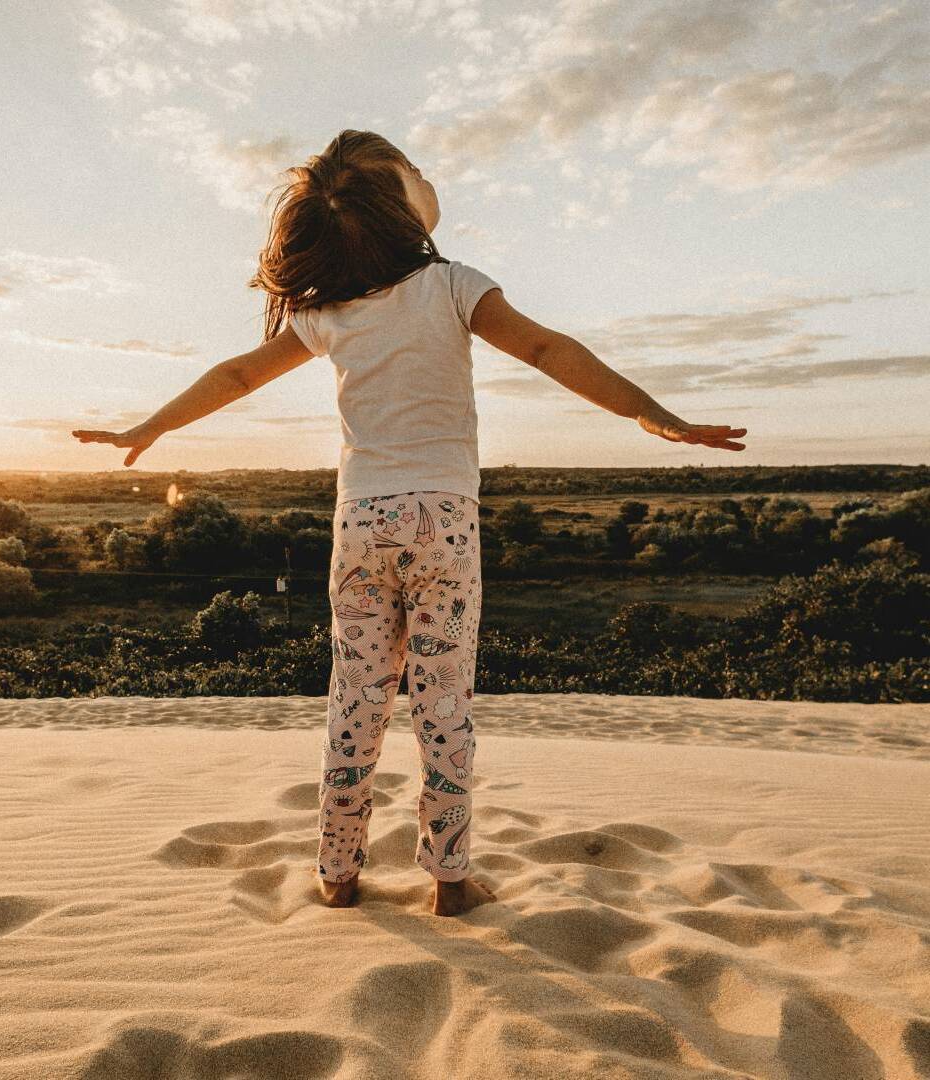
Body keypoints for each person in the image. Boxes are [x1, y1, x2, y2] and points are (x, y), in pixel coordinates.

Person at [73, 129, 747, 917]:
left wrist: (152, 426)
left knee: (355, 700)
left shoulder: (328, 312)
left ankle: (337, 872)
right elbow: (545, 348)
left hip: (362, 521)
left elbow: (237, 374)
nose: (429, 178)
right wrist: (649, 413)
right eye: (415, 171)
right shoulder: (454, 286)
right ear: (399, 206)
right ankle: (450, 879)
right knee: (443, 703)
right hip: (444, 523)